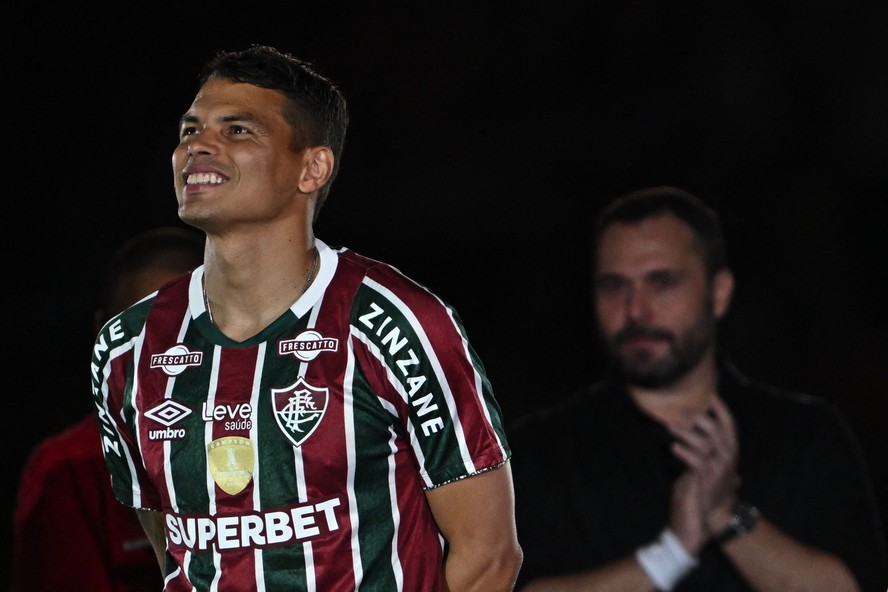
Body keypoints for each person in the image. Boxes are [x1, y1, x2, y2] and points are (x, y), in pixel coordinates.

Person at [89, 44, 522, 591]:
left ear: (312, 168)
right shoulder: (126, 347)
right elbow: (173, 549)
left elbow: (488, 555)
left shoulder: (394, 322)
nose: (197, 146)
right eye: (190, 130)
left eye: (237, 130)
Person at [509, 186, 888, 592]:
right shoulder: (543, 451)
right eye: (615, 286)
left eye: (663, 282)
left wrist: (728, 515)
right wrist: (671, 552)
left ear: (719, 293)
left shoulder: (804, 435)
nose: (636, 310)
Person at [13, 226, 205, 592]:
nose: (162, 357)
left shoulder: (271, 450)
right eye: (137, 331)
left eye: (185, 330)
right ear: (103, 336)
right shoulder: (68, 469)